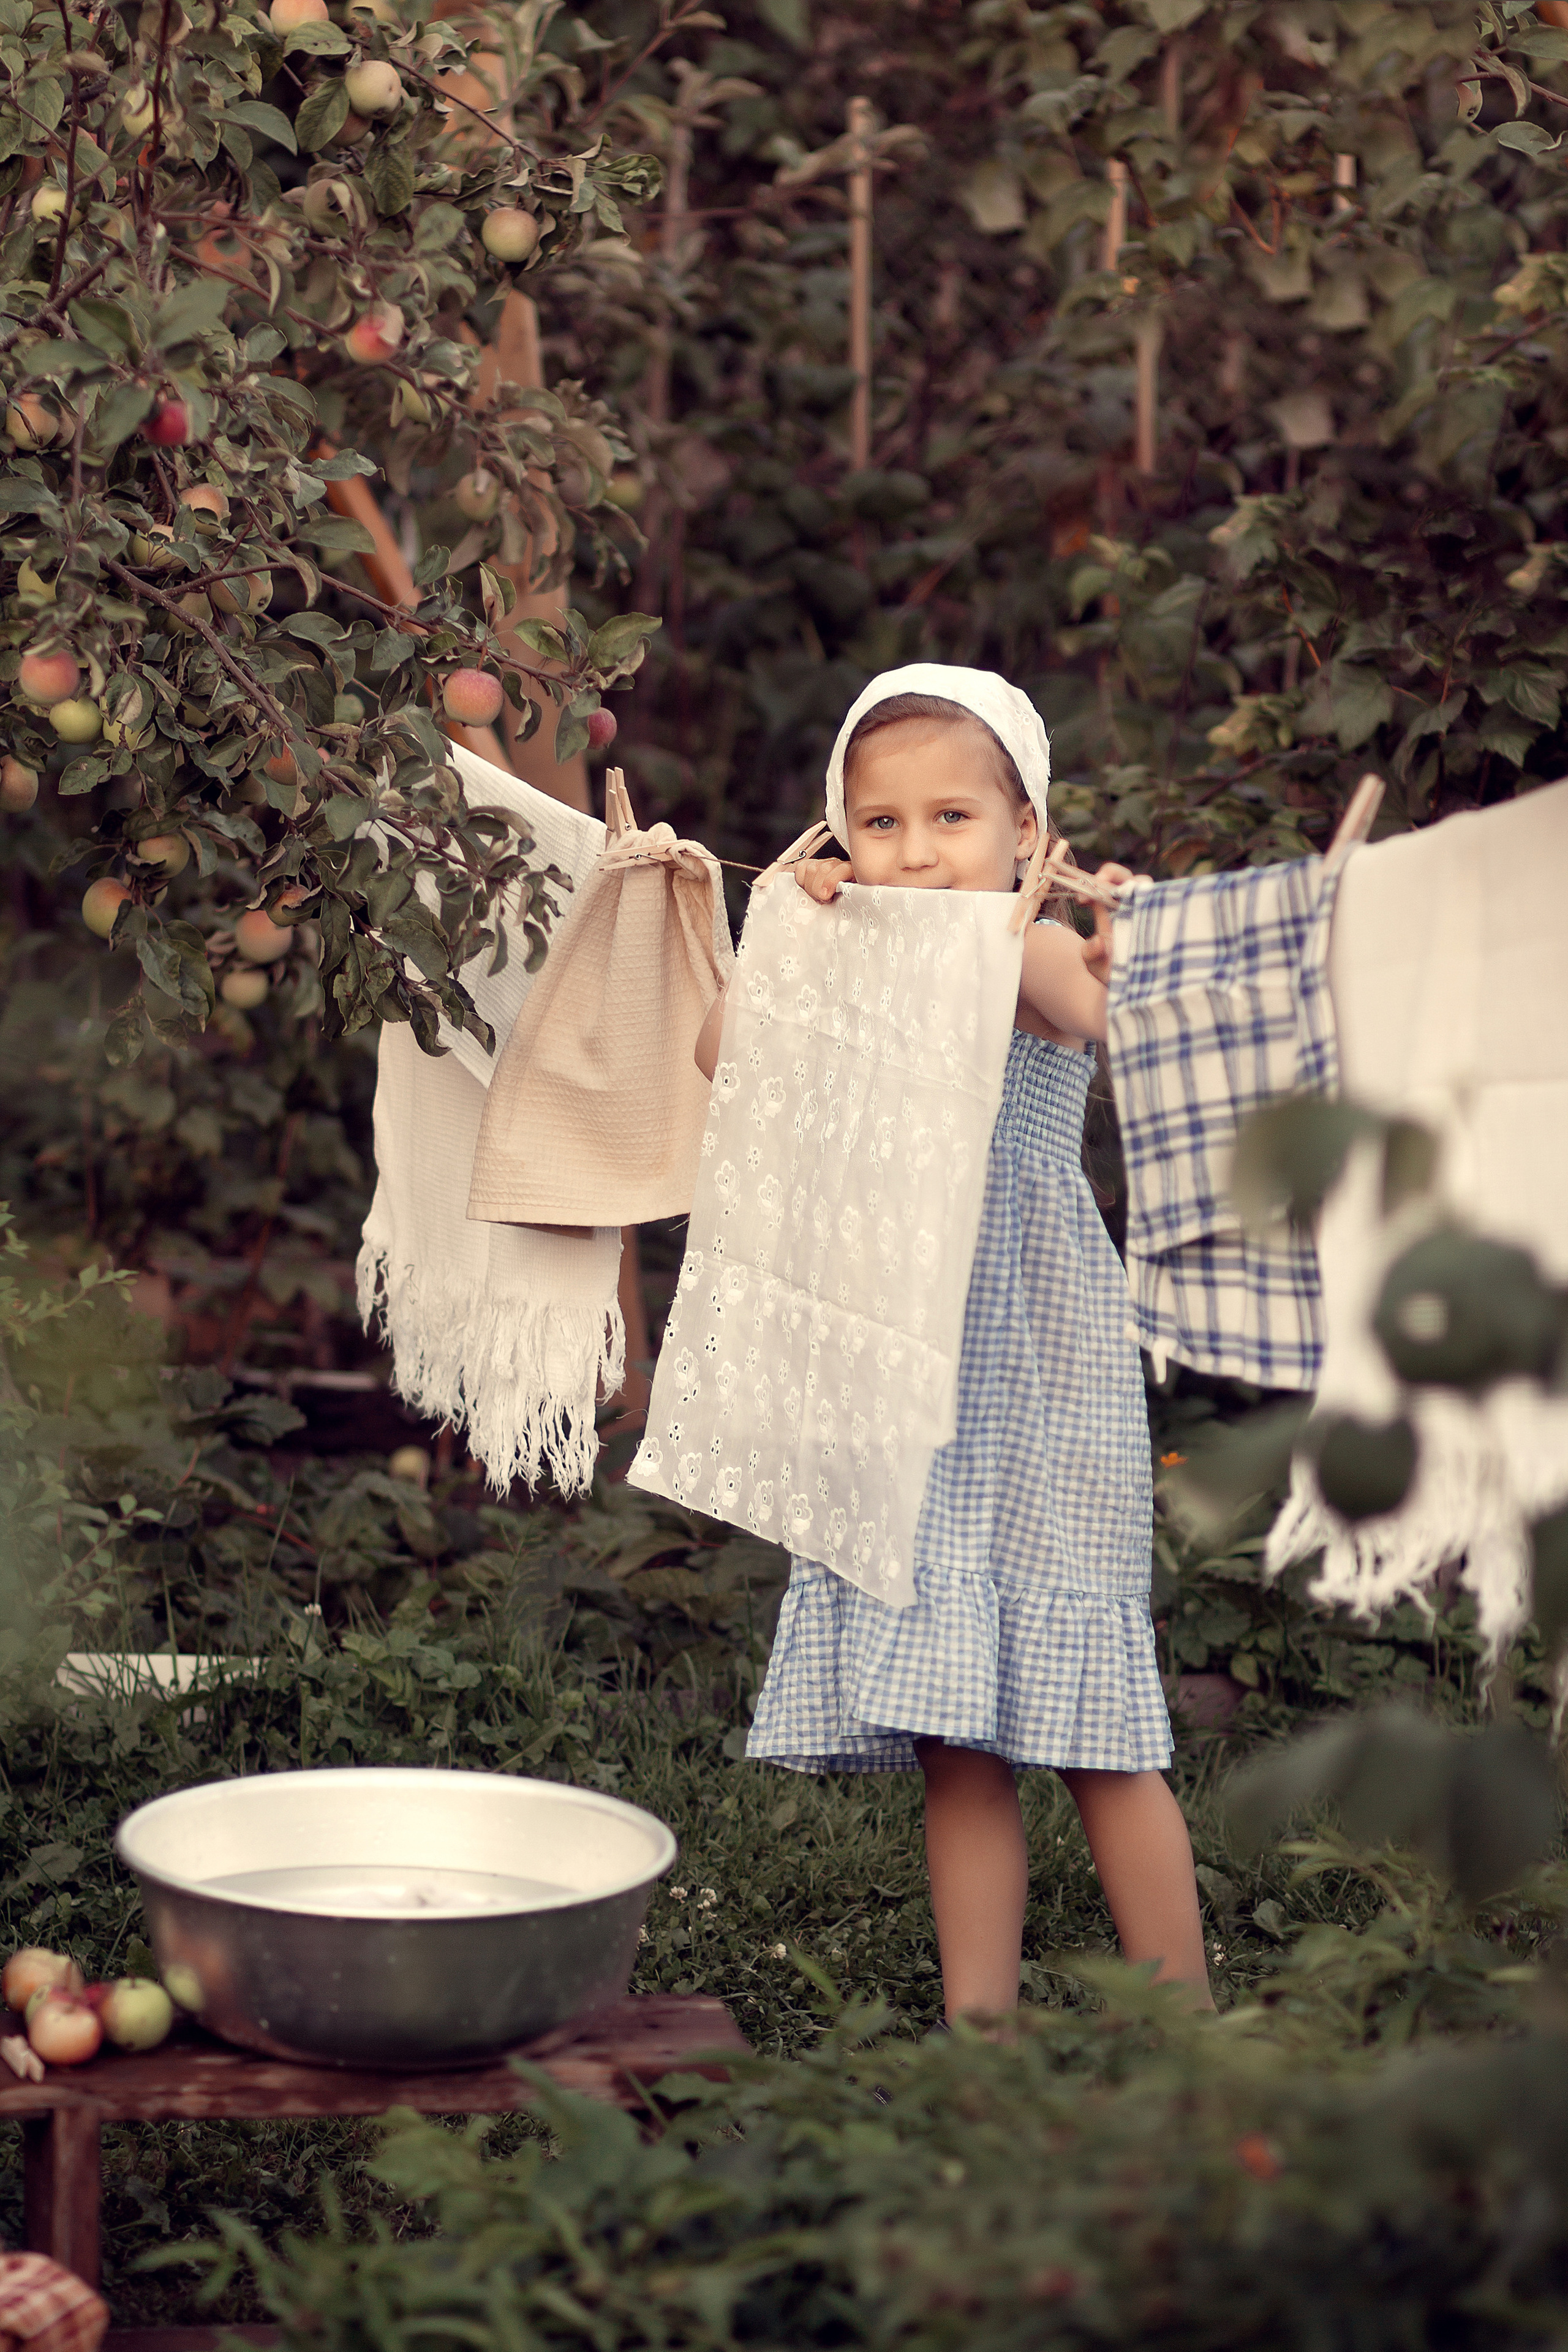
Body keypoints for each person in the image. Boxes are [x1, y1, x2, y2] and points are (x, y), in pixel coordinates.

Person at [695, 666, 1211, 2022]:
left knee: (1097, 1734)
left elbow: (1106, 1015)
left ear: (1023, 833)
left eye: (950, 819)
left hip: (1036, 1366)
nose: (916, 855)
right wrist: (793, 935)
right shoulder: (845, 956)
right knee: (955, 1741)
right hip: (903, 1377)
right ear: (833, 836)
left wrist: (1106, 955)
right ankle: (976, 2042)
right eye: (877, 825)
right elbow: (715, 1047)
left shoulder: (1020, 947)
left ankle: (1189, 2030)